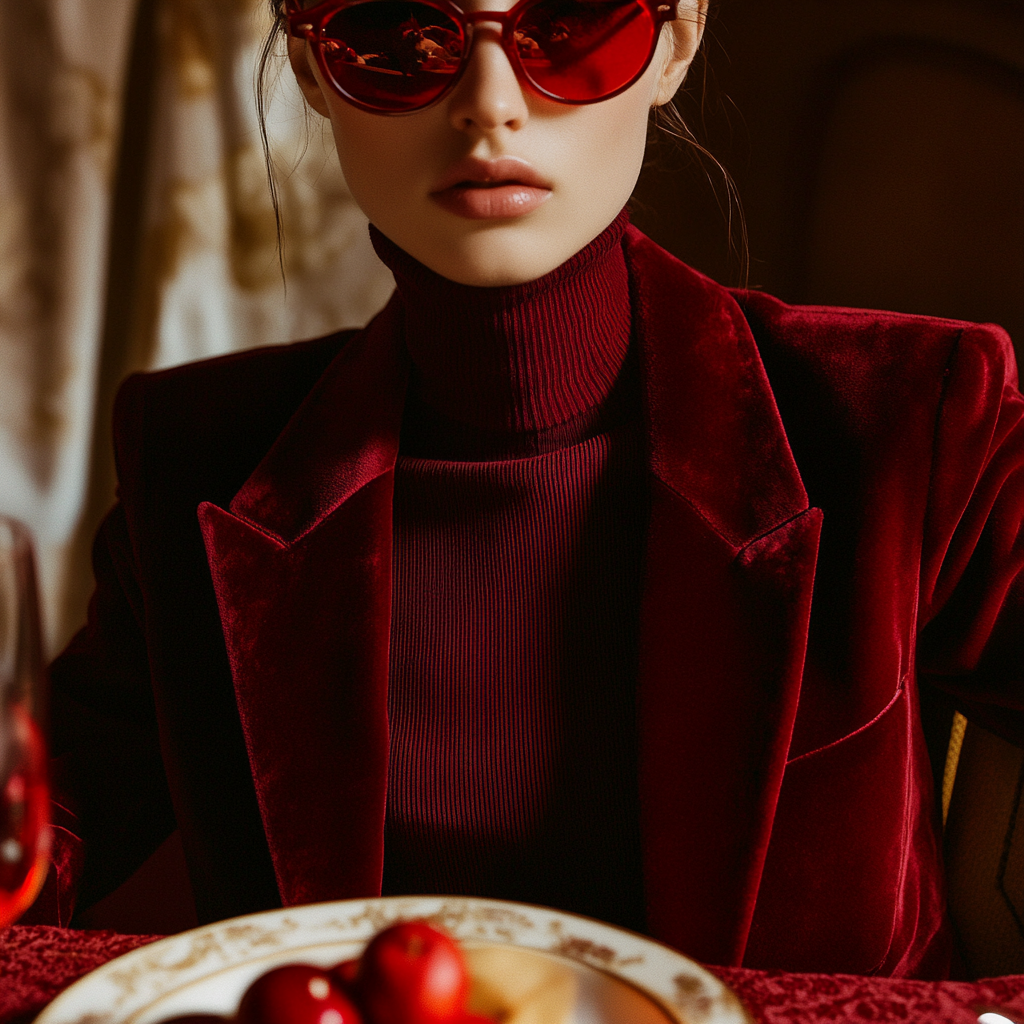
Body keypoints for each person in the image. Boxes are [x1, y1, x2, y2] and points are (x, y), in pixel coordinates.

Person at [29, 0, 1023, 980]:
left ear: (675, 42)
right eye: (399, 38)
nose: (490, 103)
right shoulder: (197, 454)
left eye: (571, 27)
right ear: (309, 68)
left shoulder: (907, 419)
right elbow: (42, 830)